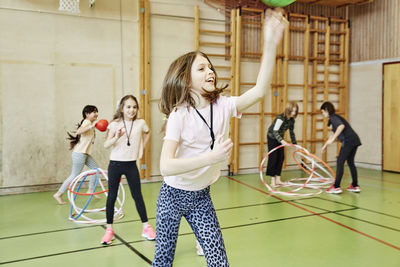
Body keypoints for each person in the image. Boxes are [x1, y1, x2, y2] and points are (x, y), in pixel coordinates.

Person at [152, 9, 287, 267]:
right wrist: (211, 157)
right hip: (172, 195)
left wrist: (270, 43)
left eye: (210, 66)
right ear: (186, 79)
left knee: (219, 261)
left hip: (201, 196)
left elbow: (259, 91)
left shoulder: (224, 105)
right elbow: (165, 166)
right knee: (163, 260)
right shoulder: (179, 115)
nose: (210, 71)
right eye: (201, 68)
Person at [100, 95, 155, 245]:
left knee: (137, 196)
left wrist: (142, 148)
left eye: (134, 107)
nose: (132, 110)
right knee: (111, 197)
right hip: (115, 165)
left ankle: (146, 227)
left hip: (131, 165)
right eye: (128, 107)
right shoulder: (114, 124)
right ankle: (109, 230)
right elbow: (106, 145)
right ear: (122, 109)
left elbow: (148, 132)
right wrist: (116, 136)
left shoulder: (140, 123)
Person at [53, 105, 100, 205]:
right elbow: (79, 131)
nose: (96, 114)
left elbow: (78, 135)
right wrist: (92, 126)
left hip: (84, 153)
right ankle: (58, 194)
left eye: (97, 112)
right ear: (87, 114)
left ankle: (90, 190)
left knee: (95, 169)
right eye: (94, 112)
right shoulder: (87, 122)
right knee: (74, 175)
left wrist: (74, 144)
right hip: (80, 154)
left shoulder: (88, 123)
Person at [321, 101, 361, 194]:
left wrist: (333, 139)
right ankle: (355, 185)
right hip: (354, 140)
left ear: (326, 110)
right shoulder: (334, 118)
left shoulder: (333, 117)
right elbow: (333, 135)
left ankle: (336, 186)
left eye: (323, 112)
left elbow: (341, 126)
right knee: (350, 162)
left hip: (348, 141)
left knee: (340, 162)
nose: (322, 114)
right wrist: (325, 146)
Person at [265, 101, 298, 187]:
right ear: (288, 110)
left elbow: (291, 132)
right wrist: (282, 141)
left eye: (295, 111)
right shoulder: (280, 118)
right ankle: (273, 181)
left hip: (280, 138)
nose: (294, 113)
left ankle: (278, 179)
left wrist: (295, 144)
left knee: (281, 157)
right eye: (292, 111)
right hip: (272, 137)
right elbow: (275, 131)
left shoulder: (292, 120)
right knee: (273, 157)